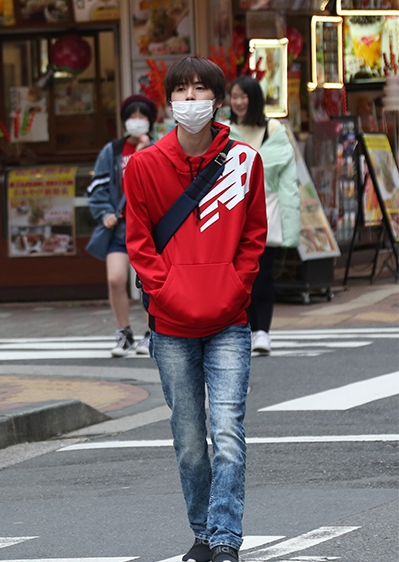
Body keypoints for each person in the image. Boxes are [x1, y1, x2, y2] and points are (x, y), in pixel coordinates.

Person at [124, 58, 267, 562]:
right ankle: (204, 532)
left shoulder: (245, 161)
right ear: (169, 102)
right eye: (181, 90)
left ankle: (224, 539)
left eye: (200, 89)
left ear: (219, 99)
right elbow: (139, 243)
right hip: (170, 325)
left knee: (227, 429)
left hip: (229, 320)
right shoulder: (142, 166)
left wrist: (234, 287)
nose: (191, 99)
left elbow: (253, 238)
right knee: (189, 439)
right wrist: (167, 293)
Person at [227, 75, 301, 356]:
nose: (238, 102)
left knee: (263, 274)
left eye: (243, 96)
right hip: (232, 212)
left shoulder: (274, 129)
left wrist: (291, 225)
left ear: (254, 98)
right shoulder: (224, 130)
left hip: (267, 210)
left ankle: (262, 332)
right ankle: (245, 328)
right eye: (234, 96)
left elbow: (287, 182)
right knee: (238, 276)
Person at [86, 94, 157, 357]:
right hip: (119, 228)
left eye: (142, 117)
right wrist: (104, 211)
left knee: (150, 281)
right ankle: (123, 332)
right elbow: (97, 187)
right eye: (132, 117)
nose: (137, 121)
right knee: (116, 279)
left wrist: (145, 154)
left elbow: (163, 186)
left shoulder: (158, 148)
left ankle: (152, 333)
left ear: (151, 121)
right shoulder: (112, 150)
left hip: (148, 227)